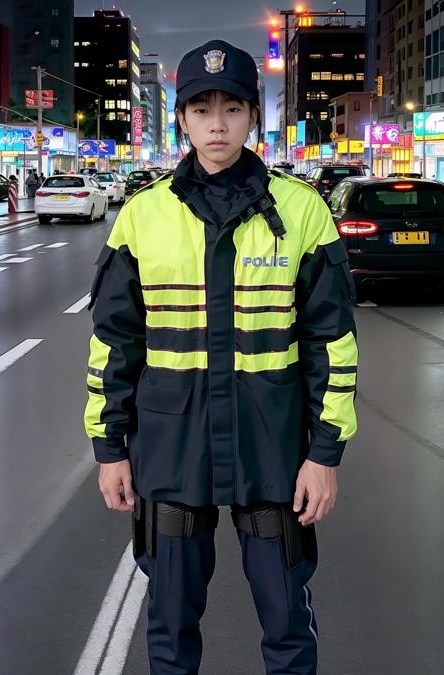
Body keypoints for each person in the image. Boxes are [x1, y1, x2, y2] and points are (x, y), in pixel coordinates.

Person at [84, 39, 358, 675]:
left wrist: (325, 455)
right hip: (172, 452)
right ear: (180, 119)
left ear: (251, 118)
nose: (216, 122)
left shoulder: (302, 210)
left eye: (231, 107)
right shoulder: (143, 216)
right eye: (200, 107)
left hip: (274, 453)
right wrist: (109, 448)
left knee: (290, 628)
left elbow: (333, 343)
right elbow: (113, 343)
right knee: (171, 634)